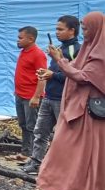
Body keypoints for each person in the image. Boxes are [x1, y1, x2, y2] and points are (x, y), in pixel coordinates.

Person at [37, 11, 105, 190]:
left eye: (86, 29)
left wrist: (60, 61)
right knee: (64, 150)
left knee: (81, 155)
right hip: (78, 111)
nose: (84, 33)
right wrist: (59, 63)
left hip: (90, 115)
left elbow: (83, 77)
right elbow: (74, 69)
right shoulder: (88, 49)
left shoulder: (100, 55)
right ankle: (60, 189)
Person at [22, 16, 81, 174]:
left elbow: (75, 76)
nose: (57, 32)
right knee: (40, 131)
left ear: (72, 31)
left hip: (64, 99)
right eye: (56, 29)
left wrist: (52, 75)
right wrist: (46, 73)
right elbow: (56, 71)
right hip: (49, 97)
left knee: (63, 136)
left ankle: (64, 168)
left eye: (60, 29)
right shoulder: (58, 49)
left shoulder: (75, 50)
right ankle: (36, 162)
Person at [10, 26, 49, 161]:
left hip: (31, 97)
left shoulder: (38, 54)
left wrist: (36, 96)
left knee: (33, 126)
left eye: (21, 38)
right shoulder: (24, 51)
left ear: (31, 39)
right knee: (23, 124)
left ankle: (35, 156)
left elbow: (42, 77)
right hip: (20, 95)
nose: (18, 40)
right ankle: (26, 152)